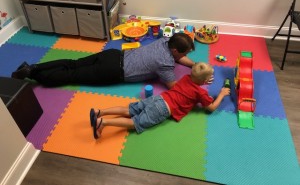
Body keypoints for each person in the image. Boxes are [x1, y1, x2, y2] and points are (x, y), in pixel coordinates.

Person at [90, 62, 230, 139]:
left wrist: (202, 80)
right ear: (205, 81)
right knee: (136, 122)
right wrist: (222, 94)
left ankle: (99, 112)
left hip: (158, 98)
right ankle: (104, 122)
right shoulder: (200, 92)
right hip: (163, 109)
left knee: (129, 109)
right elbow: (210, 108)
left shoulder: (186, 78)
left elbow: (192, 85)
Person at [11, 33, 197, 89]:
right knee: (71, 75)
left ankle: (34, 66)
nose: (185, 57)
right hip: (113, 72)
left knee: (72, 62)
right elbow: (176, 87)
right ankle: (34, 74)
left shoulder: (166, 40)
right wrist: (198, 78)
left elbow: (181, 58)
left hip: (113, 55)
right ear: (174, 51)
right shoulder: (165, 64)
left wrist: (195, 65)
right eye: (184, 53)